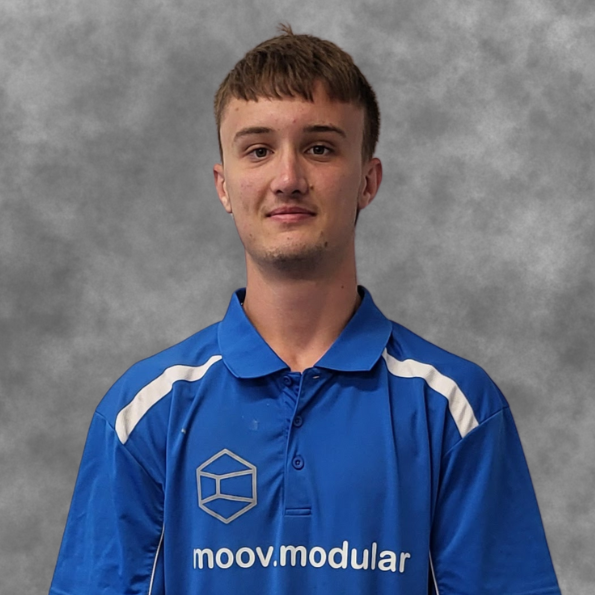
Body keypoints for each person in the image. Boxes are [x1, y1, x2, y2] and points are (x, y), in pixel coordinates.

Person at [49, 24, 561, 595]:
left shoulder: (454, 409)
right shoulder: (143, 414)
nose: (288, 179)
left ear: (367, 181)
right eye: (258, 150)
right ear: (224, 186)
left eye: (319, 148)